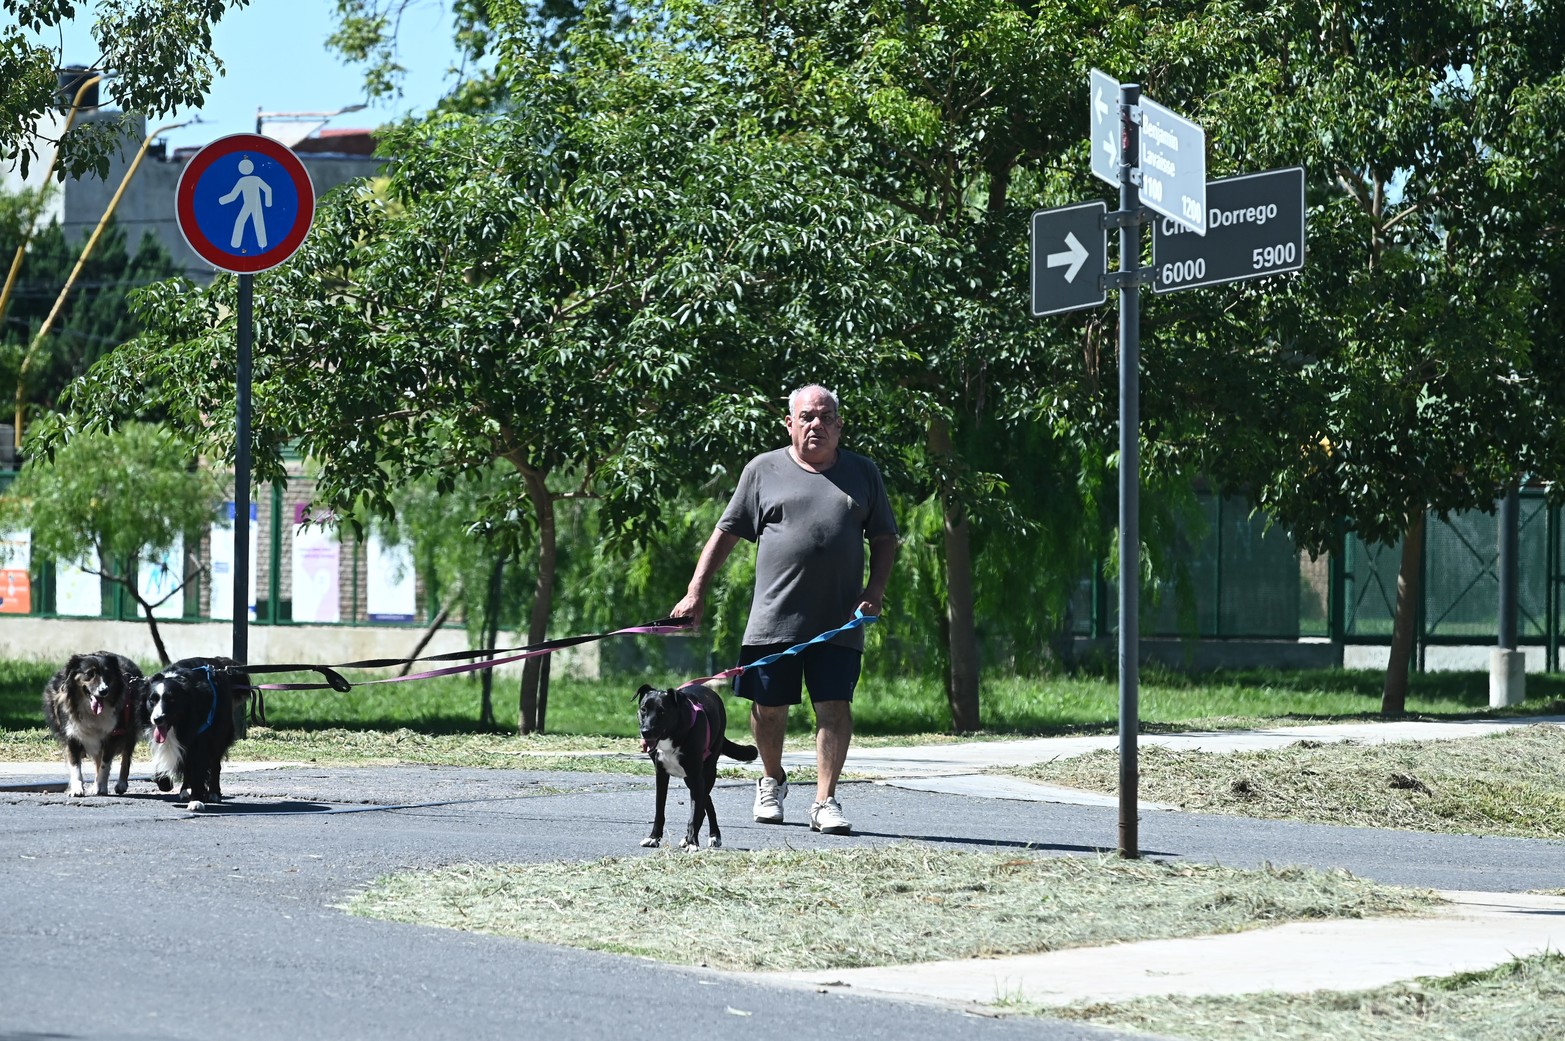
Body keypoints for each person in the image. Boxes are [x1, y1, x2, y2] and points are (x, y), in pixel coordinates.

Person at [671, 384, 898, 835]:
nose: (818, 424)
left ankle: (825, 800)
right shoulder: (763, 470)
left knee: (834, 707)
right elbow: (727, 534)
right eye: (808, 417)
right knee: (768, 707)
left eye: (827, 417)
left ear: (839, 424)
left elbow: (885, 538)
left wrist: (875, 588)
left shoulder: (863, 472)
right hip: (773, 618)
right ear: (790, 424)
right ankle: (772, 779)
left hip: (839, 623)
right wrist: (695, 591)